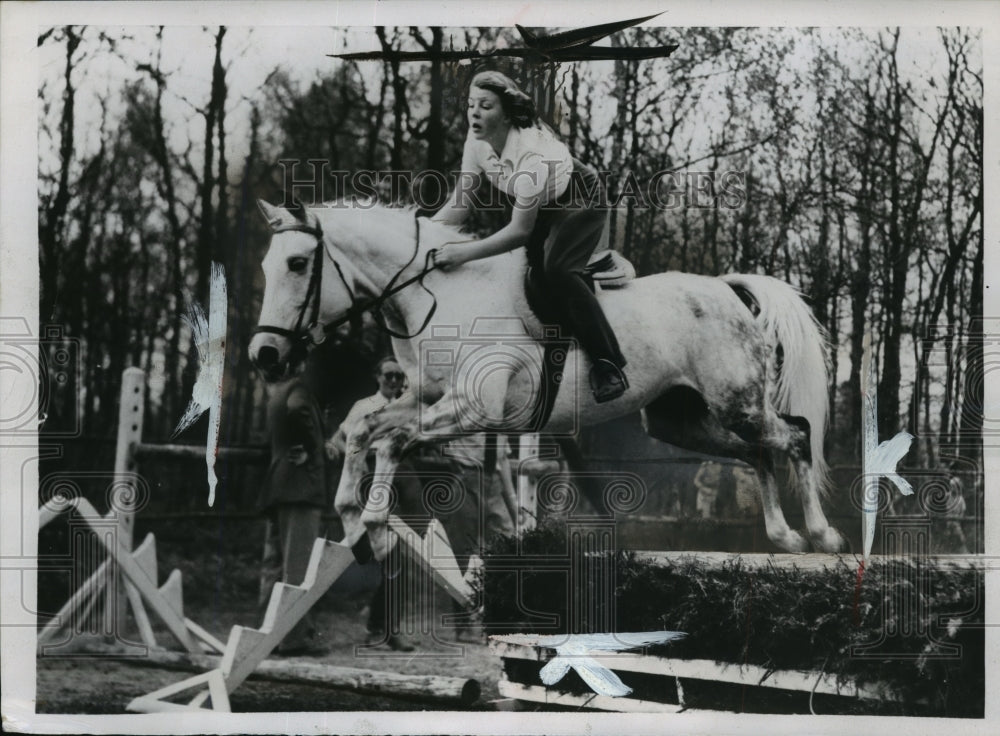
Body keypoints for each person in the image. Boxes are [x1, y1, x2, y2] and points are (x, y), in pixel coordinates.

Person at [432, 70, 628, 403]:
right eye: (470, 105)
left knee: (557, 270)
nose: (474, 113)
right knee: (528, 280)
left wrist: (461, 253)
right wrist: (424, 234)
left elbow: (519, 232)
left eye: (486, 106)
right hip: (545, 203)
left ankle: (608, 364)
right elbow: (460, 204)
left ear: (507, 114)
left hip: (580, 197)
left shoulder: (529, 154)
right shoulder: (476, 140)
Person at [327, 356, 416, 651]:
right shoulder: (364, 407)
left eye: (397, 377)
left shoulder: (407, 408)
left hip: (394, 487)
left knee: (395, 560)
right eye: (388, 375)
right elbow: (338, 440)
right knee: (374, 559)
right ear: (377, 377)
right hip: (365, 488)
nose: (393, 381)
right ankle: (376, 625)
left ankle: (386, 628)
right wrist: (358, 462)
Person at [257, 361, 330, 656]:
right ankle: (294, 638)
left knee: (273, 566)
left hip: (279, 486)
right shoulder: (299, 389)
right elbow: (298, 409)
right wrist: (310, 447)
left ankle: (266, 633)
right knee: (298, 568)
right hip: (300, 488)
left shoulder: (277, 391)